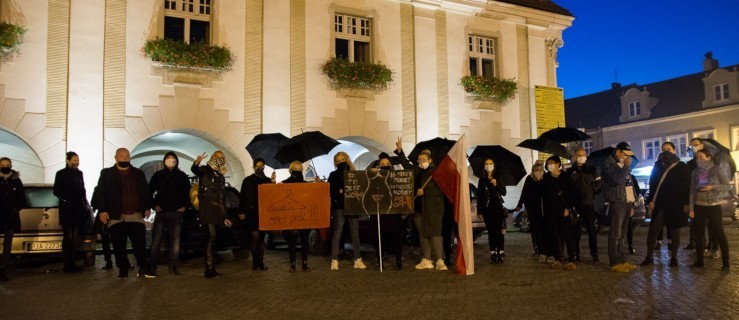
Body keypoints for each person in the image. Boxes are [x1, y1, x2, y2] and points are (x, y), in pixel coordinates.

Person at [95, 148, 154, 279]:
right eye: (122, 156)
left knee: (139, 243)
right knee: (118, 244)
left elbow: (145, 190)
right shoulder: (107, 174)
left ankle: (143, 267)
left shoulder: (138, 173)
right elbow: (101, 192)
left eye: (127, 156)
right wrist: (103, 210)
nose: (125, 158)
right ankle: (122, 269)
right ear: (115, 157)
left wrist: (147, 206)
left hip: (136, 214)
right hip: (116, 215)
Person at [640, 142, 690, 267]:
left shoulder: (681, 166)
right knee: (654, 230)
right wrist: (651, 200)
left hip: (675, 204)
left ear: (674, 150)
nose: (666, 151)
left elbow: (687, 186)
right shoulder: (657, 165)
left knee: (674, 231)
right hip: (660, 204)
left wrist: (686, 203)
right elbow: (653, 184)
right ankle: (649, 257)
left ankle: (674, 258)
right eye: (663, 149)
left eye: (668, 149)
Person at [398, 149, 447, 271]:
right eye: (419, 160)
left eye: (424, 160)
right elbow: (406, 165)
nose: (421, 162)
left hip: (433, 208)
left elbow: (441, 190)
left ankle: (440, 261)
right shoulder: (417, 171)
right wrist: (400, 153)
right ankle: (427, 259)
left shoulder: (436, 172)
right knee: (423, 233)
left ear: (430, 160)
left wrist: (425, 191)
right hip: (419, 208)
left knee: (434, 233)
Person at [148, 151, 191, 276]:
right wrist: (154, 205)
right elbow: (149, 191)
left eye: (173, 158)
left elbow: (187, 193)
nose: (171, 160)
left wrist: (184, 206)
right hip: (162, 213)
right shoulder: (158, 175)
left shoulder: (182, 176)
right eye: (168, 158)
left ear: (177, 161)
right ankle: (152, 266)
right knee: (156, 241)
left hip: (177, 213)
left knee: (175, 242)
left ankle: (173, 267)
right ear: (164, 160)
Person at [191, 151, 232, 278]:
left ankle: (211, 268)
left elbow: (223, 197)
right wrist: (196, 162)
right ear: (213, 157)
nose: (220, 160)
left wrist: (225, 216)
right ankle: (208, 269)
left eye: (222, 158)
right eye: (218, 157)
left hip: (217, 209)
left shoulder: (221, 175)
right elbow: (195, 170)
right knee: (211, 236)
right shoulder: (205, 170)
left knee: (214, 238)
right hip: (207, 207)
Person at [689, 149, 731, 271]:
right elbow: (692, 191)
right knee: (699, 234)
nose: (698, 160)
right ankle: (700, 261)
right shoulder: (695, 172)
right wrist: (691, 208)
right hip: (699, 205)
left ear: (709, 158)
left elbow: (727, 186)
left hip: (714, 205)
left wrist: (712, 187)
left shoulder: (717, 169)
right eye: (697, 158)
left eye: (701, 157)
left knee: (719, 233)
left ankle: (726, 263)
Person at [602, 142, 638, 273]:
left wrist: (632, 202)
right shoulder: (608, 164)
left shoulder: (624, 166)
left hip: (626, 202)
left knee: (622, 233)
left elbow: (630, 184)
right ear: (618, 152)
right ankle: (615, 262)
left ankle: (622, 260)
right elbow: (616, 180)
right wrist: (625, 167)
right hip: (616, 201)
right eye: (624, 154)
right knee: (615, 233)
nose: (626, 157)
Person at [328, 152, 366, 271]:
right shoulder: (333, 175)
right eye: (338, 161)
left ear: (347, 159)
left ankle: (358, 259)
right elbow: (330, 191)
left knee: (355, 232)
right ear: (335, 163)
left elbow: (360, 188)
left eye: (342, 160)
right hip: (339, 206)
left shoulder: (354, 174)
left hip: (352, 206)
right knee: (337, 232)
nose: (341, 163)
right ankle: (334, 260)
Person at [53, 151, 90, 273]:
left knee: (75, 237)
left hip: (77, 209)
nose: (76, 162)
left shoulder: (79, 173)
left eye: (78, 160)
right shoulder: (61, 174)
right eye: (74, 160)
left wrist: (85, 203)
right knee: (68, 236)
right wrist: (67, 200)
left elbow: (82, 189)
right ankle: (66, 264)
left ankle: (72, 262)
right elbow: (57, 191)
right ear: (68, 160)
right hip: (67, 209)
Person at [370, 147, 405, 270]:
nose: (385, 165)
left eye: (387, 164)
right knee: (379, 237)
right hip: (379, 211)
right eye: (382, 164)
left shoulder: (395, 176)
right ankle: (380, 260)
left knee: (396, 237)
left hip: (393, 211)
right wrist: (372, 175)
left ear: (390, 165)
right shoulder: (374, 176)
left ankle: (398, 260)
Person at [541, 155, 578, 271]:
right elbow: (542, 195)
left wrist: (569, 208)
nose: (550, 165)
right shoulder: (546, 178)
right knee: (554, 236)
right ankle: (558, 259)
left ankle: (571, 259)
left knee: (567, 236)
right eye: (548, 163)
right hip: (551, 212)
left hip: (564, 212)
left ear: (558, 164)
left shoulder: (566, 177)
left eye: (552, 163)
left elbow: (573, 194)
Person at [238, 157, 276, 271]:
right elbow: (242, 197)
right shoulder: (248, 180)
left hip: (263, 212)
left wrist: (273, 183)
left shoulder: (267, 180)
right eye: (257, 166)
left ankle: (261, 261)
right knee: (255, 236)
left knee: (262, 238)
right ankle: (255, 262)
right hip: (251, 212)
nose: (259, 168)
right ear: (254, 167)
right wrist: (241, 211)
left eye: (261, 166)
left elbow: (273, 196)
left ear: (264, 167)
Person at [565, 148, 601, 263]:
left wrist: (592, 191)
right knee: (575, 231)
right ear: (575, 156)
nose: (582, 157)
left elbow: (599, 185)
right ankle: (576, 253)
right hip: (575, 204)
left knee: (591, 230)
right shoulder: (570, 171)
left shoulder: (592, 169)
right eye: (579, 155)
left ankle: (595, 254)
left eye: (584, 155)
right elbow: (567, 188)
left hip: (588, 203)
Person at [281, 161, 317, 272]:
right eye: (295, 168)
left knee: (304, 240)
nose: (298, 170)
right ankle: (292, 265)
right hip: (290, 217)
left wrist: (319, 185)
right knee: (291, 241)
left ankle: (304, 264)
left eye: (300, 169)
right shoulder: (284, 184)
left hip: (303, 217)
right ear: (291, 170)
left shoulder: (306, 185)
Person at [477, 158, 508, 264]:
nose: (488, 165)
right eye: (486, 164)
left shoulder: (498, 177)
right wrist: (480, 211)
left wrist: (497, 185)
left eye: (490, 163)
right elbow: (480, 196)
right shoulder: (482, 179)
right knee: (491, 232)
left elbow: (504, 192)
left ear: (494, 165)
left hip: (497, 208)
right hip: (487, 210)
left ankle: (501, 251)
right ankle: (492, 253)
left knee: (499, 231)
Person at [0, 157, 26, 281]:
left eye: (7, 164)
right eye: (3, 165)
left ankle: (2, 269)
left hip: (11, 218)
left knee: (7, 245)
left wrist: (15, 209)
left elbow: (22, 200)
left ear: (11, 165)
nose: (5, 166)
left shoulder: (16, 181)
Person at [516, 161, 546, 262]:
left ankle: (547, 251)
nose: (539, 172)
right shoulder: (530, 180)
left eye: (540, 170)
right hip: (534, 210)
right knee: (536, 231)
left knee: (545, 231)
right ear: (533, 171)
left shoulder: (545, 179)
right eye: (536, 171)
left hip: (545, 211)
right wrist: (520, 205)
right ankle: (540, 250)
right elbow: (525, 193)